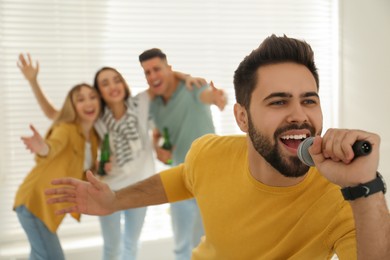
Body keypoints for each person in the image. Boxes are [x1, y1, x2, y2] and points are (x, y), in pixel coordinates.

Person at [46, 34, 390, 259]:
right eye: (278, 102)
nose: (299, 115)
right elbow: (180, 180)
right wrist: (115, 201)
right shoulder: (209, 152)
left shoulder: (342, 197)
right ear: (242, 118)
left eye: (309, 101)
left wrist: (366, 188)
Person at [17, 53, 209, 260]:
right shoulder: (96, 117)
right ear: (99, 92)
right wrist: (33, 81)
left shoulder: (141, 102)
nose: (112, 86)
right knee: (112, 247)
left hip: (140, 188)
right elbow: (55, 113)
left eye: (116, 80)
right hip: (108, 189)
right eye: (105, 84)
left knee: (131, 245)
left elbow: (160, 79)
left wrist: (186, 77)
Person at [138, 48, 227, 260]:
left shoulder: (193, 87)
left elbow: (213, 97)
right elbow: (158, 133)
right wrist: (156, 147)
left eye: (157, 69)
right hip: (180, 177)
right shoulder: (155, 105)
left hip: (209, 177)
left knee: (205, 242)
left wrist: (218, 97)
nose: (152, 76)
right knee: (180, 245)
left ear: (169, 69)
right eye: (147, 72)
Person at [14, 83, 100, 260]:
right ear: (73, 106)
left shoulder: (92, 137)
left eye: (93, 97)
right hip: (34, 203)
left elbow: (82, 170)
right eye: (80, 99)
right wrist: (42, 147)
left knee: (40, 255)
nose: (88, 102)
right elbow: (52, 147)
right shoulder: (66, 129)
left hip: (48, 207)